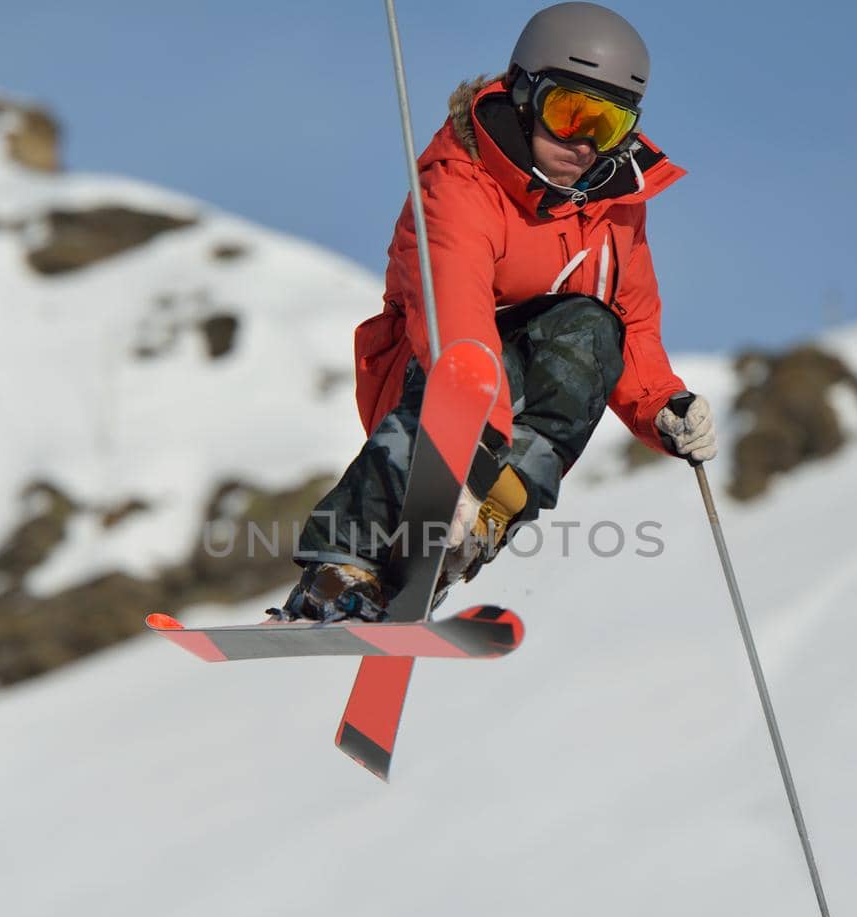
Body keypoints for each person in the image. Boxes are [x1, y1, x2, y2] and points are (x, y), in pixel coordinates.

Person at [274, 1, 717, 622]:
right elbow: (453, 318)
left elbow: (630, 322)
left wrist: (658, 404)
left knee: (592, 328)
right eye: (570, 113)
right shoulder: (460, 181)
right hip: (432, 377)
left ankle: (473, 529)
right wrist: (468, 451)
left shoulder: (615, 205)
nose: (585, 143)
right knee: (467, 368)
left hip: (500, 419)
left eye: (609, 125)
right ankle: (339, 566)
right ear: (526, 93)